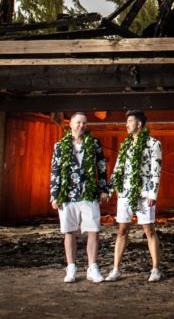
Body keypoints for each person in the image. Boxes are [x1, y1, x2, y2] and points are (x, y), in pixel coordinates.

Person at [49, 111, 110, 283]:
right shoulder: (60, 145)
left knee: (93, 230)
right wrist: (54, 195)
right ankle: (71, 268)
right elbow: (55, 171)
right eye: (78, 122)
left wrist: (104, 189)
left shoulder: (94, 143)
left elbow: (102, 167)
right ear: (71, 124)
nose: (81, 125)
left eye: (84, 123)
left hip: (89, 194)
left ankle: (92, 267)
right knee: (69, 231)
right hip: (67, 195)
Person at [104, 109, 163, 282]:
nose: (126, 124)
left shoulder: (153, 144)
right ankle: (115, 269)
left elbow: (156, 169)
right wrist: (109, 190)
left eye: (130, 121)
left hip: (145, 192)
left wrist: (153, 193)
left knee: (149, 229)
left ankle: (155, 269)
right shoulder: (125, 145)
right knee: (122, 229)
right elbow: (117, 169)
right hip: (125, 193)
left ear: (139, 124)